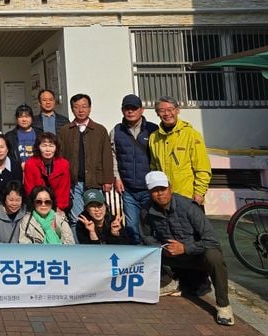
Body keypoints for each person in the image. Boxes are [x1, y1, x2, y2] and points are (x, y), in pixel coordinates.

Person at [141, 171, 234, 326]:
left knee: (214, 257)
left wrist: (185, 248)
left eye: (163, 189)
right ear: (149, 193)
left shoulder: (188, 207)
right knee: (143, 250)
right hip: (170, 255)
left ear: (170, 188)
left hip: (196, 255)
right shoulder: (146, 210)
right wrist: (161, 248)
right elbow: (146, 236)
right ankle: (169, 281)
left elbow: (212, 240)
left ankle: (224, 306)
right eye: (155, 191)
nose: (160, 194)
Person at [58, 93, 113, 227]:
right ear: (72, 109)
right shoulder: (65, 130)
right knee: (77, 218)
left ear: (90, 108)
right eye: (76, 107)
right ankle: (79, 247)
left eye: (84, 106)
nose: (81, 110)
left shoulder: (99, 130)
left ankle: (96, 245)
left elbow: (106, 155)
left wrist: (108, 179)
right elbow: (60, 156)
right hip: (74, 182)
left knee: (97, 217)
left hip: (95, 181)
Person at [111, 94, 159, 243]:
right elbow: (113, 155)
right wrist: (117, 177)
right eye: (127, 108)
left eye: (134, 108)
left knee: (150, 225)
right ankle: (136, 260)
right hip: (128, 189)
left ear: (142, 110)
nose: (130, 112)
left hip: (149, 188)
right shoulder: (116, 130)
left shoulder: (153, 130)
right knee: (131, 226)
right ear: (122, 110)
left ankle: (155, 258)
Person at [149, 96, 212, 206]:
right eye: (162, 110)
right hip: (164, 199)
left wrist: (199, 192)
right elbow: (154, 167)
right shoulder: (154, 138)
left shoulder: (191, 135)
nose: (167, 113)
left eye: (170, 109)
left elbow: (202, 168)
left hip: (187, 197)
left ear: (177, 110)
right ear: (157, 113)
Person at [23, 131, 71, 213]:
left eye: (51, 146)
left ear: (56, 148)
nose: (48, 149)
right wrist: (39, 206)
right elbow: (29, 189)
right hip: (37, 204)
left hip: (57, 205)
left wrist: (58, 208)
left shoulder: (64, 164)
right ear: (38, 147)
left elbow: (64, 190)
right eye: (44, 146)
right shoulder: (30, 164)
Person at [4, 104, 42, 169]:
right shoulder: (9, 136)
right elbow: (7, 156)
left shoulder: (40, 134)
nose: (24, 120)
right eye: (21, 117)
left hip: (37, 170)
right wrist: (18, 165)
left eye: (27, 117)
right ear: (16, 119)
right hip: (18, 171)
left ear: (32, 118)